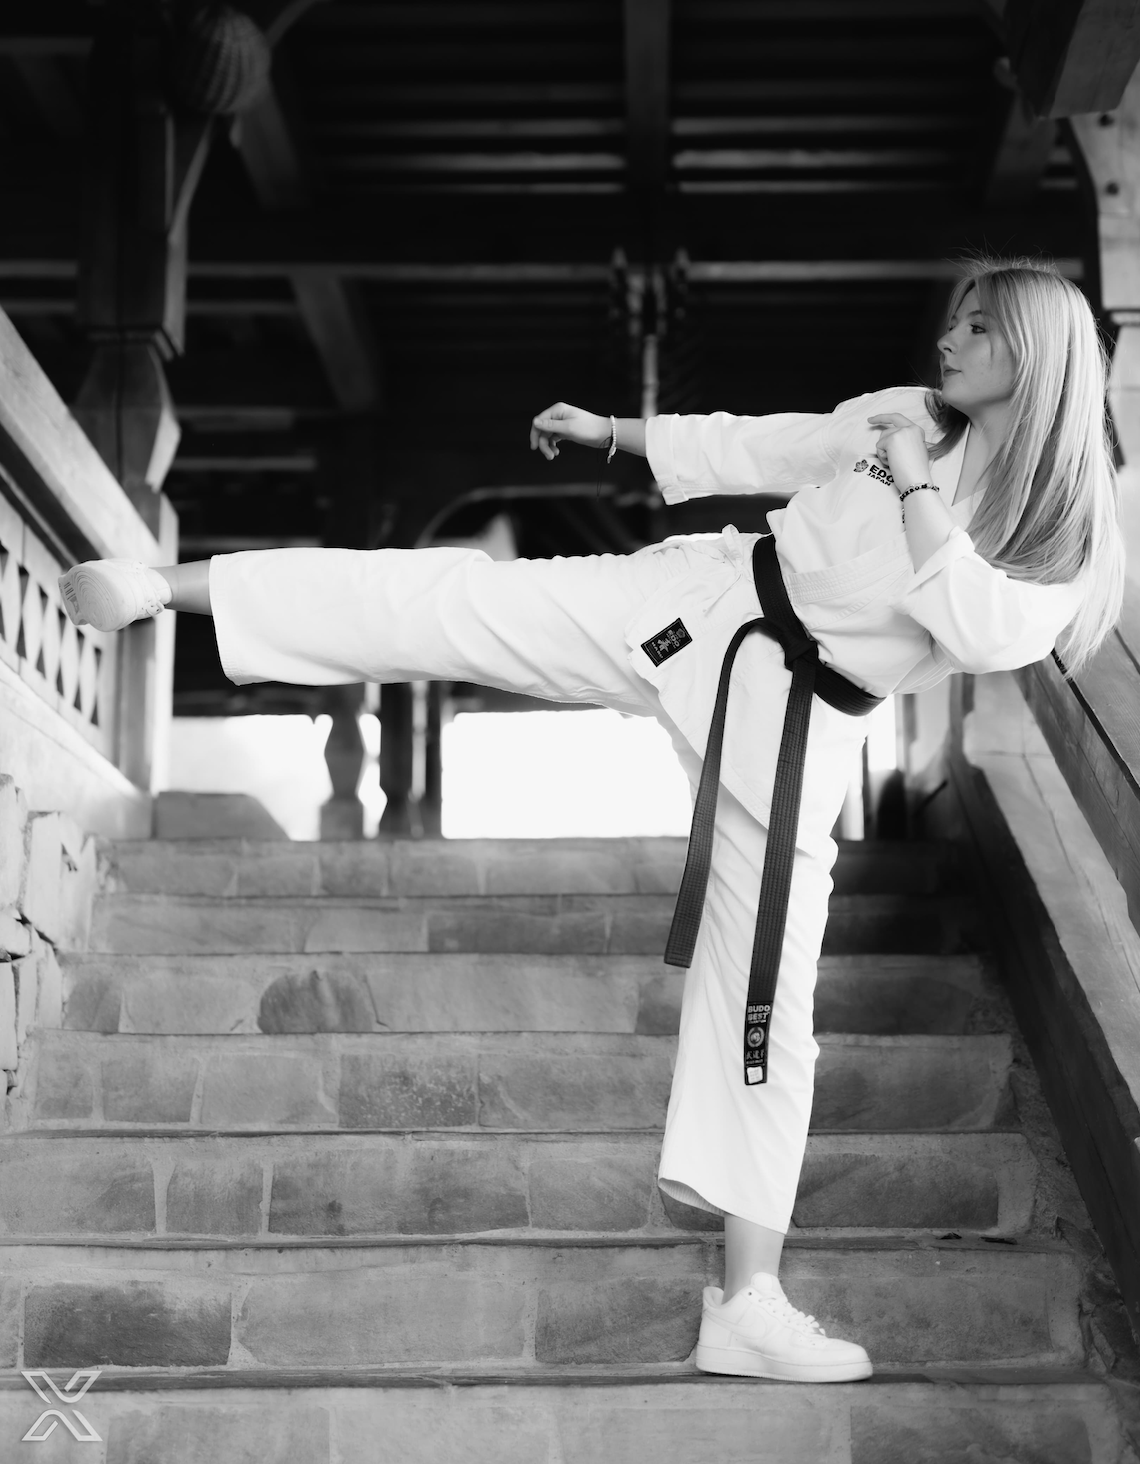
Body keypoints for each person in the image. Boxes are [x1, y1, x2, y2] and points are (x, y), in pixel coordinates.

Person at [57, 258, 1123, 1383]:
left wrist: (914, 492)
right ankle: (166, 586)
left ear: (1038, 356)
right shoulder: (907, 418)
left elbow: (985, 628)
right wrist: (617, 431)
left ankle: (748, 1301)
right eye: (956, 318)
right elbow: (765, 444)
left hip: (795, 718)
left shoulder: (1046, 528)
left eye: (979, 327)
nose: (950, 339)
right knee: (466, 600)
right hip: (696, 603)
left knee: (763, 994)